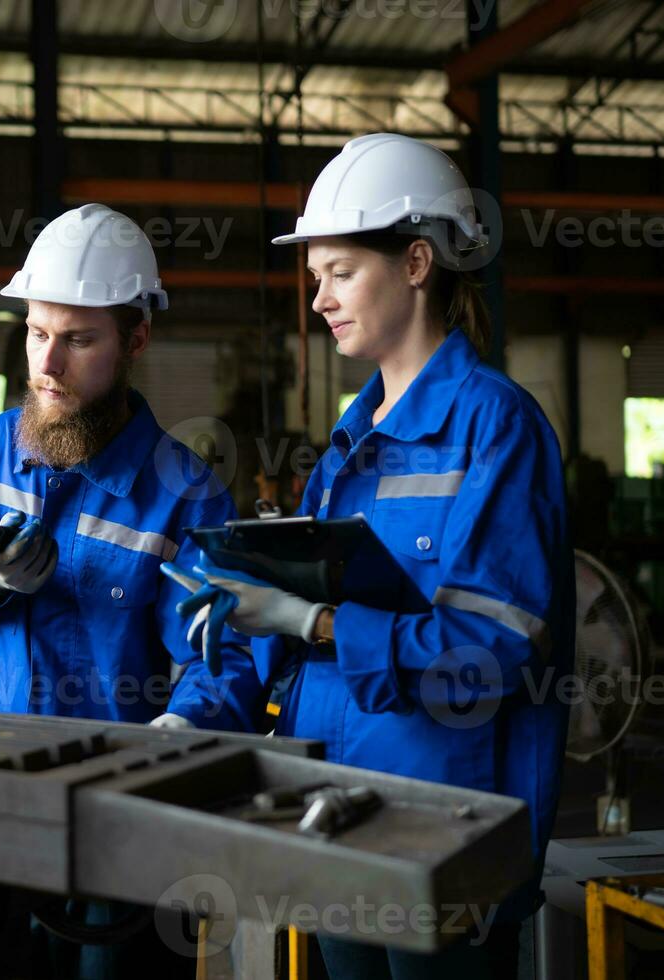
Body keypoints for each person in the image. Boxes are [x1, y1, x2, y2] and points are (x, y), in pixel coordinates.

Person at [163, 133, 573, 979]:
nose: (318, 301)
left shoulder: (494, 426)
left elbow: (489, 653)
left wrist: (312, 620)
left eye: (340, 273)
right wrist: (239, 624)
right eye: (316, 279)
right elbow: (303, 636)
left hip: (446, 836)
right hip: (336, 819)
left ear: (417, 262)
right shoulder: (352, 443)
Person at [0, 202, 262, 732]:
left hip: (112, 770)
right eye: (37, 333)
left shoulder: (184, 494)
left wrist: (186, 725)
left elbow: (223, 654)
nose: (47, 365)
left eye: (77, 340)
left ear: (135, 340)